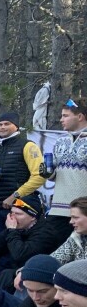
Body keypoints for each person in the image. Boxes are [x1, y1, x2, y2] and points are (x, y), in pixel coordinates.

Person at [0, 112, 46, 241]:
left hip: (21, 209)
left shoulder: (28, 146)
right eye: (0, 124)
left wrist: (14, 196)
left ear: (16, 127)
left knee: (16, 247)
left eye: (7, 124)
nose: (3, 127)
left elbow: (39, 176)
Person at [0, 193, 54, 289]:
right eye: (11, 213)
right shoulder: (16, 228)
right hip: (14, 270)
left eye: (18, 214)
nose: (13, 217)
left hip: (37, 275)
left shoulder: (45, 233)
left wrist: (12, 231)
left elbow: (20, 255)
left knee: (6, 274)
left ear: (33, 217)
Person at [40, 97, 87, 251]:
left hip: (82, 212)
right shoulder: (60, 141)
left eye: (65, 116)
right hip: (58, 210)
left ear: (80, 117)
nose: (61, 119)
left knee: (79, 255)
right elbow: (54, 176)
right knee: (53, 252)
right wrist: (47, 173)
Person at [51, 196, 87, 265]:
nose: (71, 222)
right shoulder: (76, 238)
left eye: (75, 217)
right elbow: (53, 261)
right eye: (71, 217)